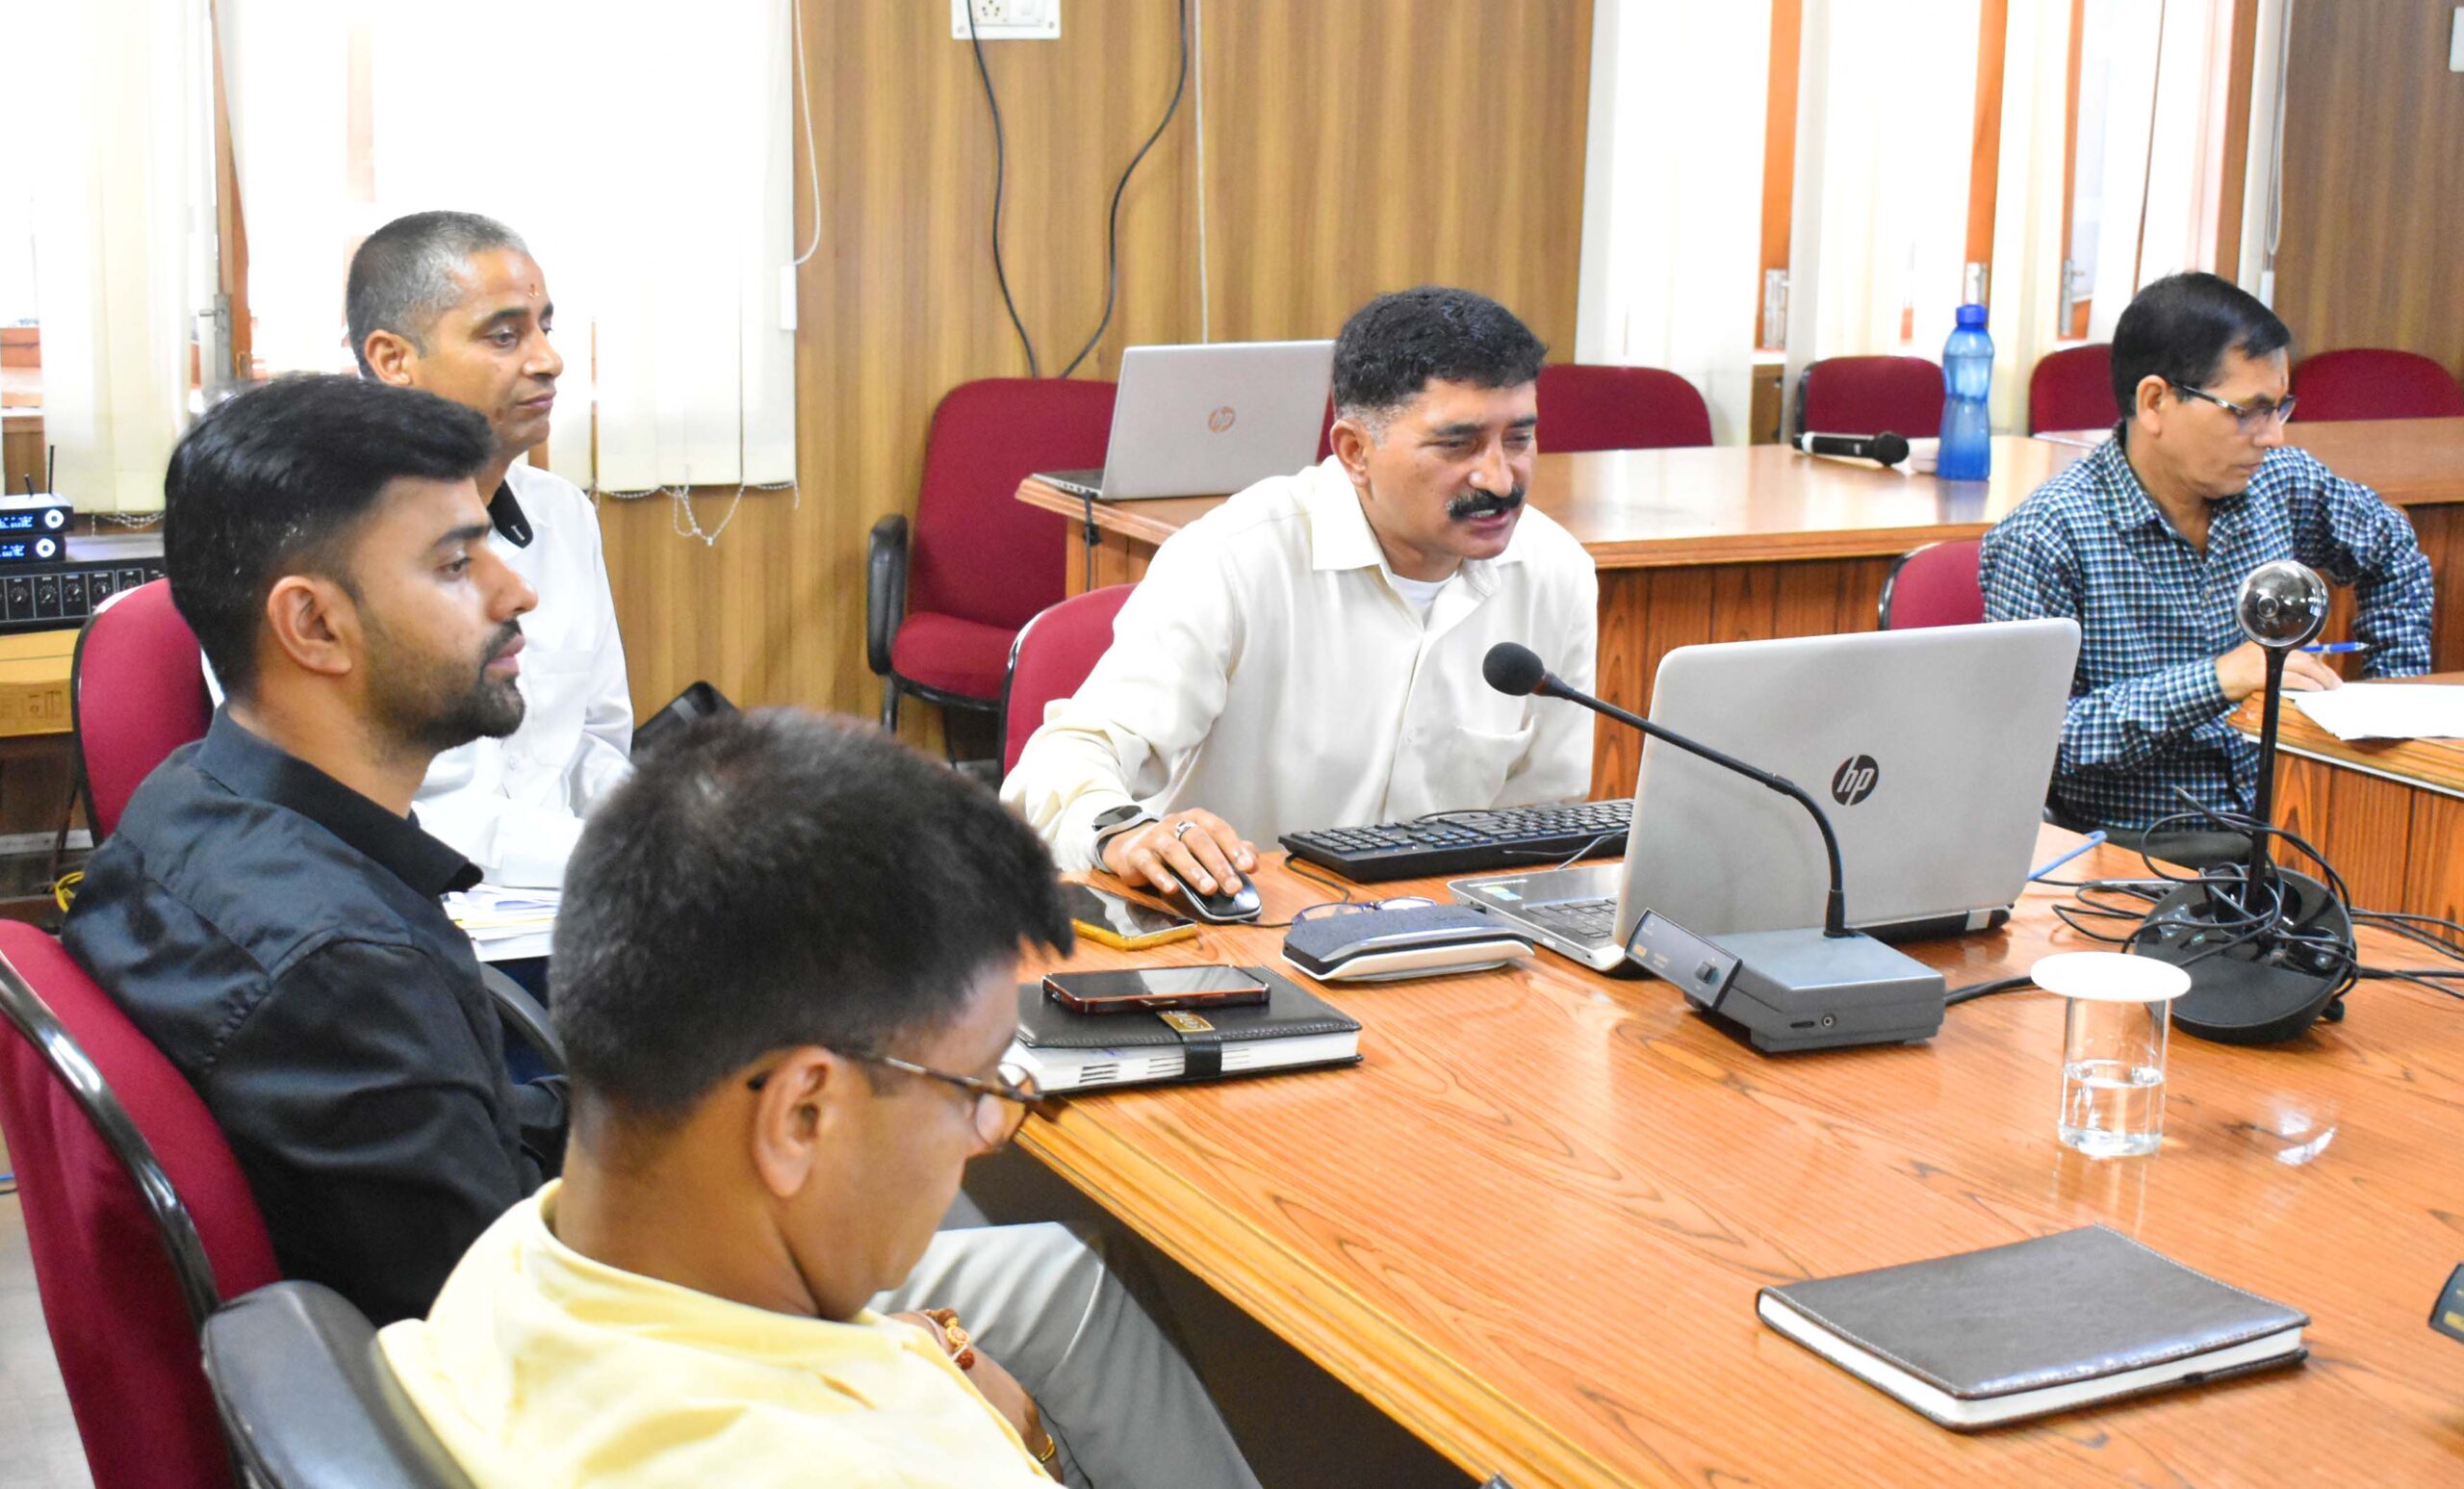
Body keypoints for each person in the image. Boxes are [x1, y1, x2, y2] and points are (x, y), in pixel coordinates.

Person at [378, 710, 1260, 1489]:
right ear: (802, 1114)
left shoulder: (508, 1263)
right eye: (973, 1089)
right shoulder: (888, 1467)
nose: (991, 1132)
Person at [64, 375, 566, 1324]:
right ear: (314, 625)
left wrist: (662, 1117)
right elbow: (503, 1335)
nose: (517, 590)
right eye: (456, 565)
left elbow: (466, 1142)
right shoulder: (347, 973)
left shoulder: (186, 796)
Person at [1001, 286, 1599, 901]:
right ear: (1355, 452)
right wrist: (1123, 834)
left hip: (1450, 930)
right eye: (1458, 444)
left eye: (1518, 440)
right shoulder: (1232, 559)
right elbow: (1071, 754)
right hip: (1237, 927)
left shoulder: (1558, 575)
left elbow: (1544, 820)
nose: (1499, 479)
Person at [1981, 271, 2432, 841]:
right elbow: (2030, 745)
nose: (2273, 437)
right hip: (2132, 849)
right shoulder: (2047, 536)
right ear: (2155, 402)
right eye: (2249, 411)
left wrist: (2389, 701)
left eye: (2280, 409)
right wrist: (2216, 681)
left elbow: (2393, 551)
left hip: (2289, 824)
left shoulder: (2281, 482)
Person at [347, 210, 632, 887]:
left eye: (545, 329)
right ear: (394, 361)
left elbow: (593, 740)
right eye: (504, 336)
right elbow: (384, 813)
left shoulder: (563, 514)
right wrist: (617, 865)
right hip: (404, 908)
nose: (549, 361)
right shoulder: (324, 538)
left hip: (571, 894)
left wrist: (649, 835)